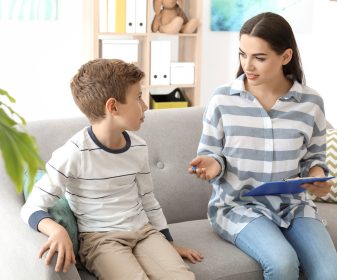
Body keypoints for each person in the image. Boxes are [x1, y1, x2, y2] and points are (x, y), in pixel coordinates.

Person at [21, 58, 203, 279]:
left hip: (144, 232)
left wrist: (168, 241)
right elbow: (31, 207)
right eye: (138, 98)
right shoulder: (73, 153)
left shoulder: (138, 146)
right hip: (101, 240)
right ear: (113, 106)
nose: (145, 106)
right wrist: (56, 230)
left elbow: (147, 199)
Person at [189, 12, 337, 280]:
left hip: (293, 206)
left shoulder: (311, 103)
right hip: (238, 206)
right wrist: (211, 164)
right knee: (283, 263)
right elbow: (211, 153)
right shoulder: (223, 100)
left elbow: (314, 160)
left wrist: (318, 178)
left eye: (259, 57)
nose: (248, 65)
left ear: (286, 57)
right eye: (242, 54)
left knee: (329, 272)